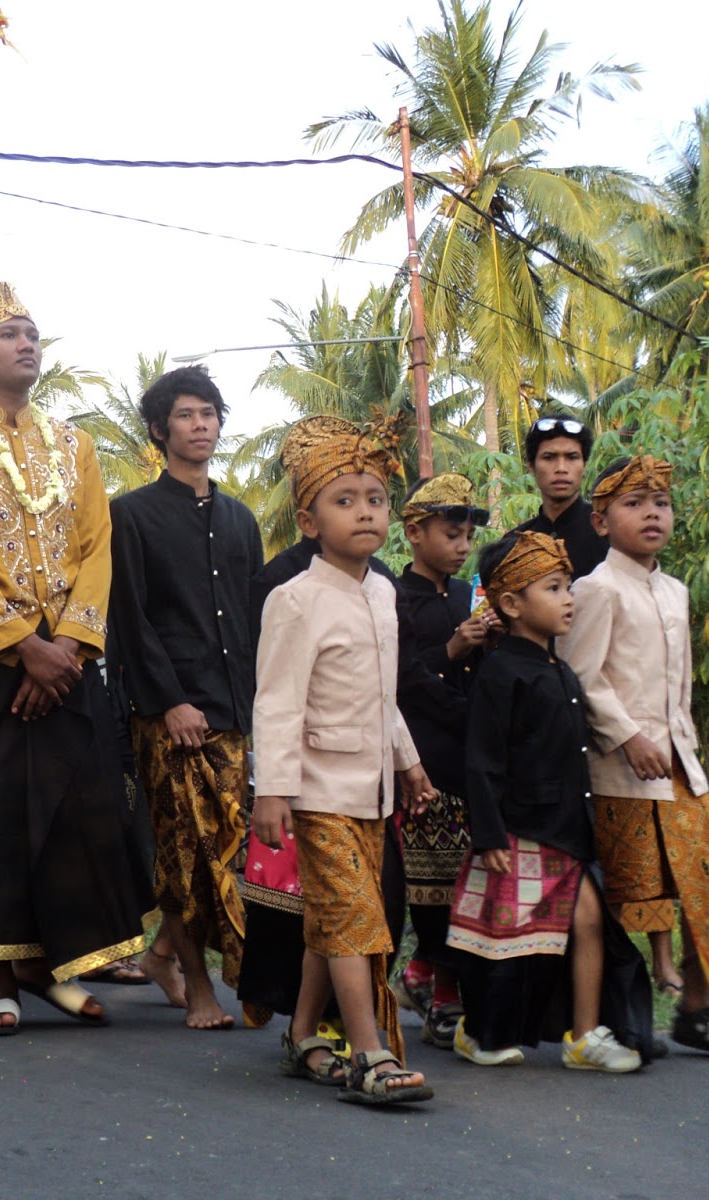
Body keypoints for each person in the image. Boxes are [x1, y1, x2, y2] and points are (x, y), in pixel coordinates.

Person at [0, 282, 152, 1035]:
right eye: (9, 333)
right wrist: (22, 649)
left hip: (68, 661)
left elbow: (97, 548)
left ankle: (50, 970)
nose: (26, 344)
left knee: (77, 811)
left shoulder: (74, 444)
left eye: (33, 333)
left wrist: (70, 647)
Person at [562, 455, 709, 1057]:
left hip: (680, 770)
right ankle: (616, 1018)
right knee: (624, 900)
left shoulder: (676, 589)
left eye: (659, 502)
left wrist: (682, 743)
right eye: (634, 503)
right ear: (602, 520)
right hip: (618, 775)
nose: (651, 513)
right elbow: (580, 677)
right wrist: (627, 735)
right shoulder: (595, 588)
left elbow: (679, 686)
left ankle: (697, 1008)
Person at [252, 415, 437, 1106]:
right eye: (344, 500)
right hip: (317, 789)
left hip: (373, 788)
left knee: (333, 919)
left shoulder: (383, 593)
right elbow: (276, 703)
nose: (365, 512)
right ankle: (369, 1054)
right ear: (308, 519)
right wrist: (272, 790)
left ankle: (302, 1036)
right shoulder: (293, 601)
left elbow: (384, 697)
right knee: (357, 918)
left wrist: (409, 763)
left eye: (376, 498)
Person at [446, 531, 649, 1072]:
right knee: (502, 942)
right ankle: (476, 1030)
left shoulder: (562, 671)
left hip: (567, 829)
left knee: (585, 922)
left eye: (567, 587)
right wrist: (488, 833)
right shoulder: (500, 672)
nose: (568, 598)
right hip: (518, 830)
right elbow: (482, 761)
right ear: (510, 604)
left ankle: (582, 1036)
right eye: (553, 588)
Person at [108, 366, 263, 1031]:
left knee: (230, 848)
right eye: (187, 416)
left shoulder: (240, 518)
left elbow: (255, 617)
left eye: (210, 414)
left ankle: (165, 952)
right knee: (182, 849)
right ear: (159, 430)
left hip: (235, 708)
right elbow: (131, 620)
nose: (201, 426)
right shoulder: (132, 514)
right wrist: (168, 701)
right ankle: (200, 985)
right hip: (170, 715)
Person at [391, 474, 494, 1046]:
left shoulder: (467, 596)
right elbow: (402, 680)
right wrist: (455, 650)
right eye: (451, 534)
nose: (461, 546)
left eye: (466, 536)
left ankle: (422, 975)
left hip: (467, 753)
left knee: (463, 875)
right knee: (430, 883)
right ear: (413, 533)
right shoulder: (394, 596)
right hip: (420, 758)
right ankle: (443, 991)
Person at [512, 411, 607, 580]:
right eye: (549, 457)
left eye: (572, 457)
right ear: (532, 467)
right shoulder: (514, 544)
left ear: (584, 465)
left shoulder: (608, 533)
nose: (561, 468)